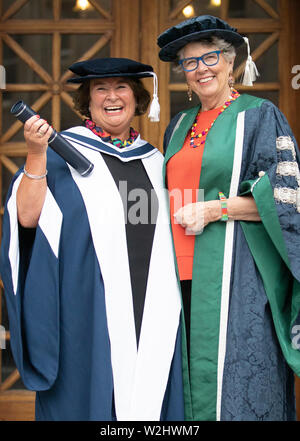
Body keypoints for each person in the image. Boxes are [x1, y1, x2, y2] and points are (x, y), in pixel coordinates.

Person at [0, 57, 184, 421]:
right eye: (101, 89)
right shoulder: (61, 154)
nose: (112, 97)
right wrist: (37, 153)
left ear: (137, 99)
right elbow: (26, 218)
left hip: (151, 306)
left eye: (122, 88)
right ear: (88, 100)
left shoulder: (155, 161)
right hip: (86, 310)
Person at [157, 15, 300, 421]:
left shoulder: (258, 115)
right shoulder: (178, 127)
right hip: (181, 277)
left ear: (232, 61)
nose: (201, 68)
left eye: (211, 57)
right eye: (190, 62)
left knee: (241, 385)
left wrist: (214, 209)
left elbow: (287, 200)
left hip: (238, 277)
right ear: (183, 74)